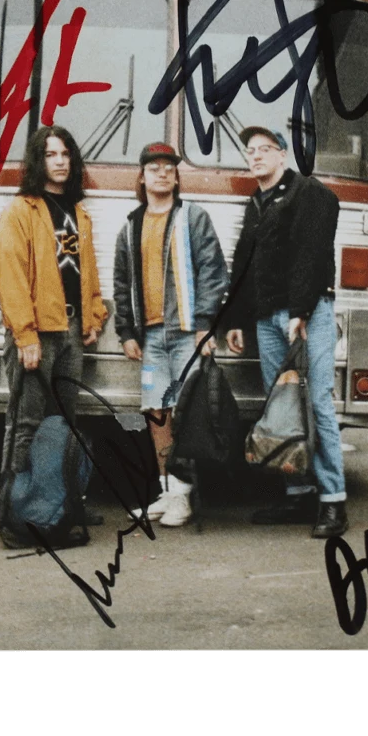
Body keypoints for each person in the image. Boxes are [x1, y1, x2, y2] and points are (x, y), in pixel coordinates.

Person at [224, 127, 348, 538]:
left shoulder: (307, 192)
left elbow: (312, 253)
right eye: (250, 151)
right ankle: (298, 494)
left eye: (265, 149)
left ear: (282, 155)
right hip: (267, 319)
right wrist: (236, 320)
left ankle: (333, 502)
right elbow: (245, 264)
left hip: (307, 315)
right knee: (283, 406)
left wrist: (301, 311)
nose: (256, 156)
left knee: (317, 403)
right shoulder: (257, 203)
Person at [0, 125, 109, 548]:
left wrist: (93, 315)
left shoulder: (78, 213)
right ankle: (17, 511)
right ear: (38, 162)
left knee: (63, 422)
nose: (59, 161)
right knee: (25, 423)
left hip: (71, 331)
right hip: (38, 333)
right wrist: (25, 335)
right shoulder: (21, 210)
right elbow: (10, 276)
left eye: (65, 154)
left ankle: (61, 503)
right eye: (50, 154)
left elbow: (86, 271)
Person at [113, 143, 229, 527]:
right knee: (156, 413)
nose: (162, 173)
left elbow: (213, 271)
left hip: (186, 335)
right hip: (151, 340)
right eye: (154, 168)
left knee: (187, 414)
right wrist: (126, 331)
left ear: (177, 178)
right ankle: (168, 491)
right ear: (142, 177)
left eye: (169, 168)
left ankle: (183, 496)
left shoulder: (192, 218)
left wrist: (205, 324)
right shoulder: (131, 226)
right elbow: (121, 283)